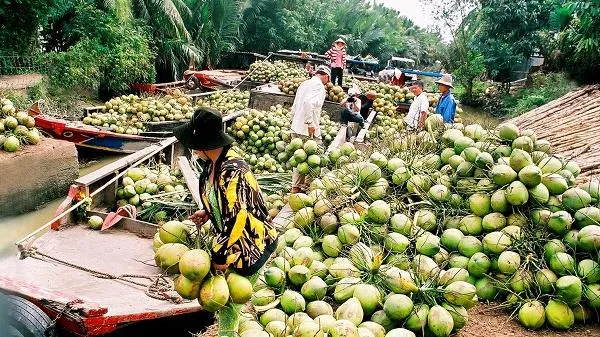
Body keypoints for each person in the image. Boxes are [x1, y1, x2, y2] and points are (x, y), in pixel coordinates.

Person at [173, 107, 278, 336]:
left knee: (229, 303)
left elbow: (238, 217)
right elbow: (225, 202)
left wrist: (219, 256)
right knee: (227, 300)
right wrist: (208, 212)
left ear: (201, 144)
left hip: (252, 244)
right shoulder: (213, 164)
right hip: (234, 243)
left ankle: (226, 334)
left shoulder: (234, 171)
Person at [289, 65, 331, 193]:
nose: (327, 82)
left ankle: (296, 188)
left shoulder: (304, 84)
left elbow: (295, 104)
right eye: (328, 79)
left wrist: (292, 120)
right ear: (325, 76)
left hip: (296, 126)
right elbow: (308, 103)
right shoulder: (318, 86)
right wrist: (310, 122)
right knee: (315, 157)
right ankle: (308, 187)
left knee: (300, 159)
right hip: (306, 129)